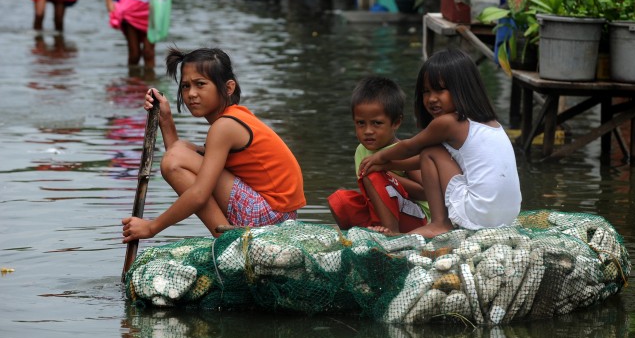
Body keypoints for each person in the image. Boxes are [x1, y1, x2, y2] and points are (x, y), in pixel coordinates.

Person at [121, 47, 306, 242]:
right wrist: (165, 119)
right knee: (181, 150)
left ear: (228, 88)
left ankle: (228, 243)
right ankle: (228, 239)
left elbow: (197, 191)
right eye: (185, 86)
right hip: (278, 214)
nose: (191, 93)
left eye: (200, 84)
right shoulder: (232, 118)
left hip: (268, 215)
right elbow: (179, 169)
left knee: (176, 157)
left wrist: (151, 227)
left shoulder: (224, 126)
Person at [359, 48, 522, 238]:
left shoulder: (448, 123)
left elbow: (411, 148)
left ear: (463, 88)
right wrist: (389, 165)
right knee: (432, 152)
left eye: (440, 90)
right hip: (508, 216)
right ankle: (444, 221)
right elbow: (426, 162)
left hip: (479, 213)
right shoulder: (490, 123)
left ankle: (439, 224)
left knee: (430, 151)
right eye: (426, 91)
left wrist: (380, 156)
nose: (431, 99)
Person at [327, 76, 430, 234]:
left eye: (377, 123)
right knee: (340, 200)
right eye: (361, 123)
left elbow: (426, 192)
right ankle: (362, 235)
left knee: (373, 173)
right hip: (382, 213)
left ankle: (391, 236)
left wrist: (386, 174)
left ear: (395, 122)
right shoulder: (361, 151)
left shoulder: (402, 150)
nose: (368, 131)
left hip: (416, 219)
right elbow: (371, 193)